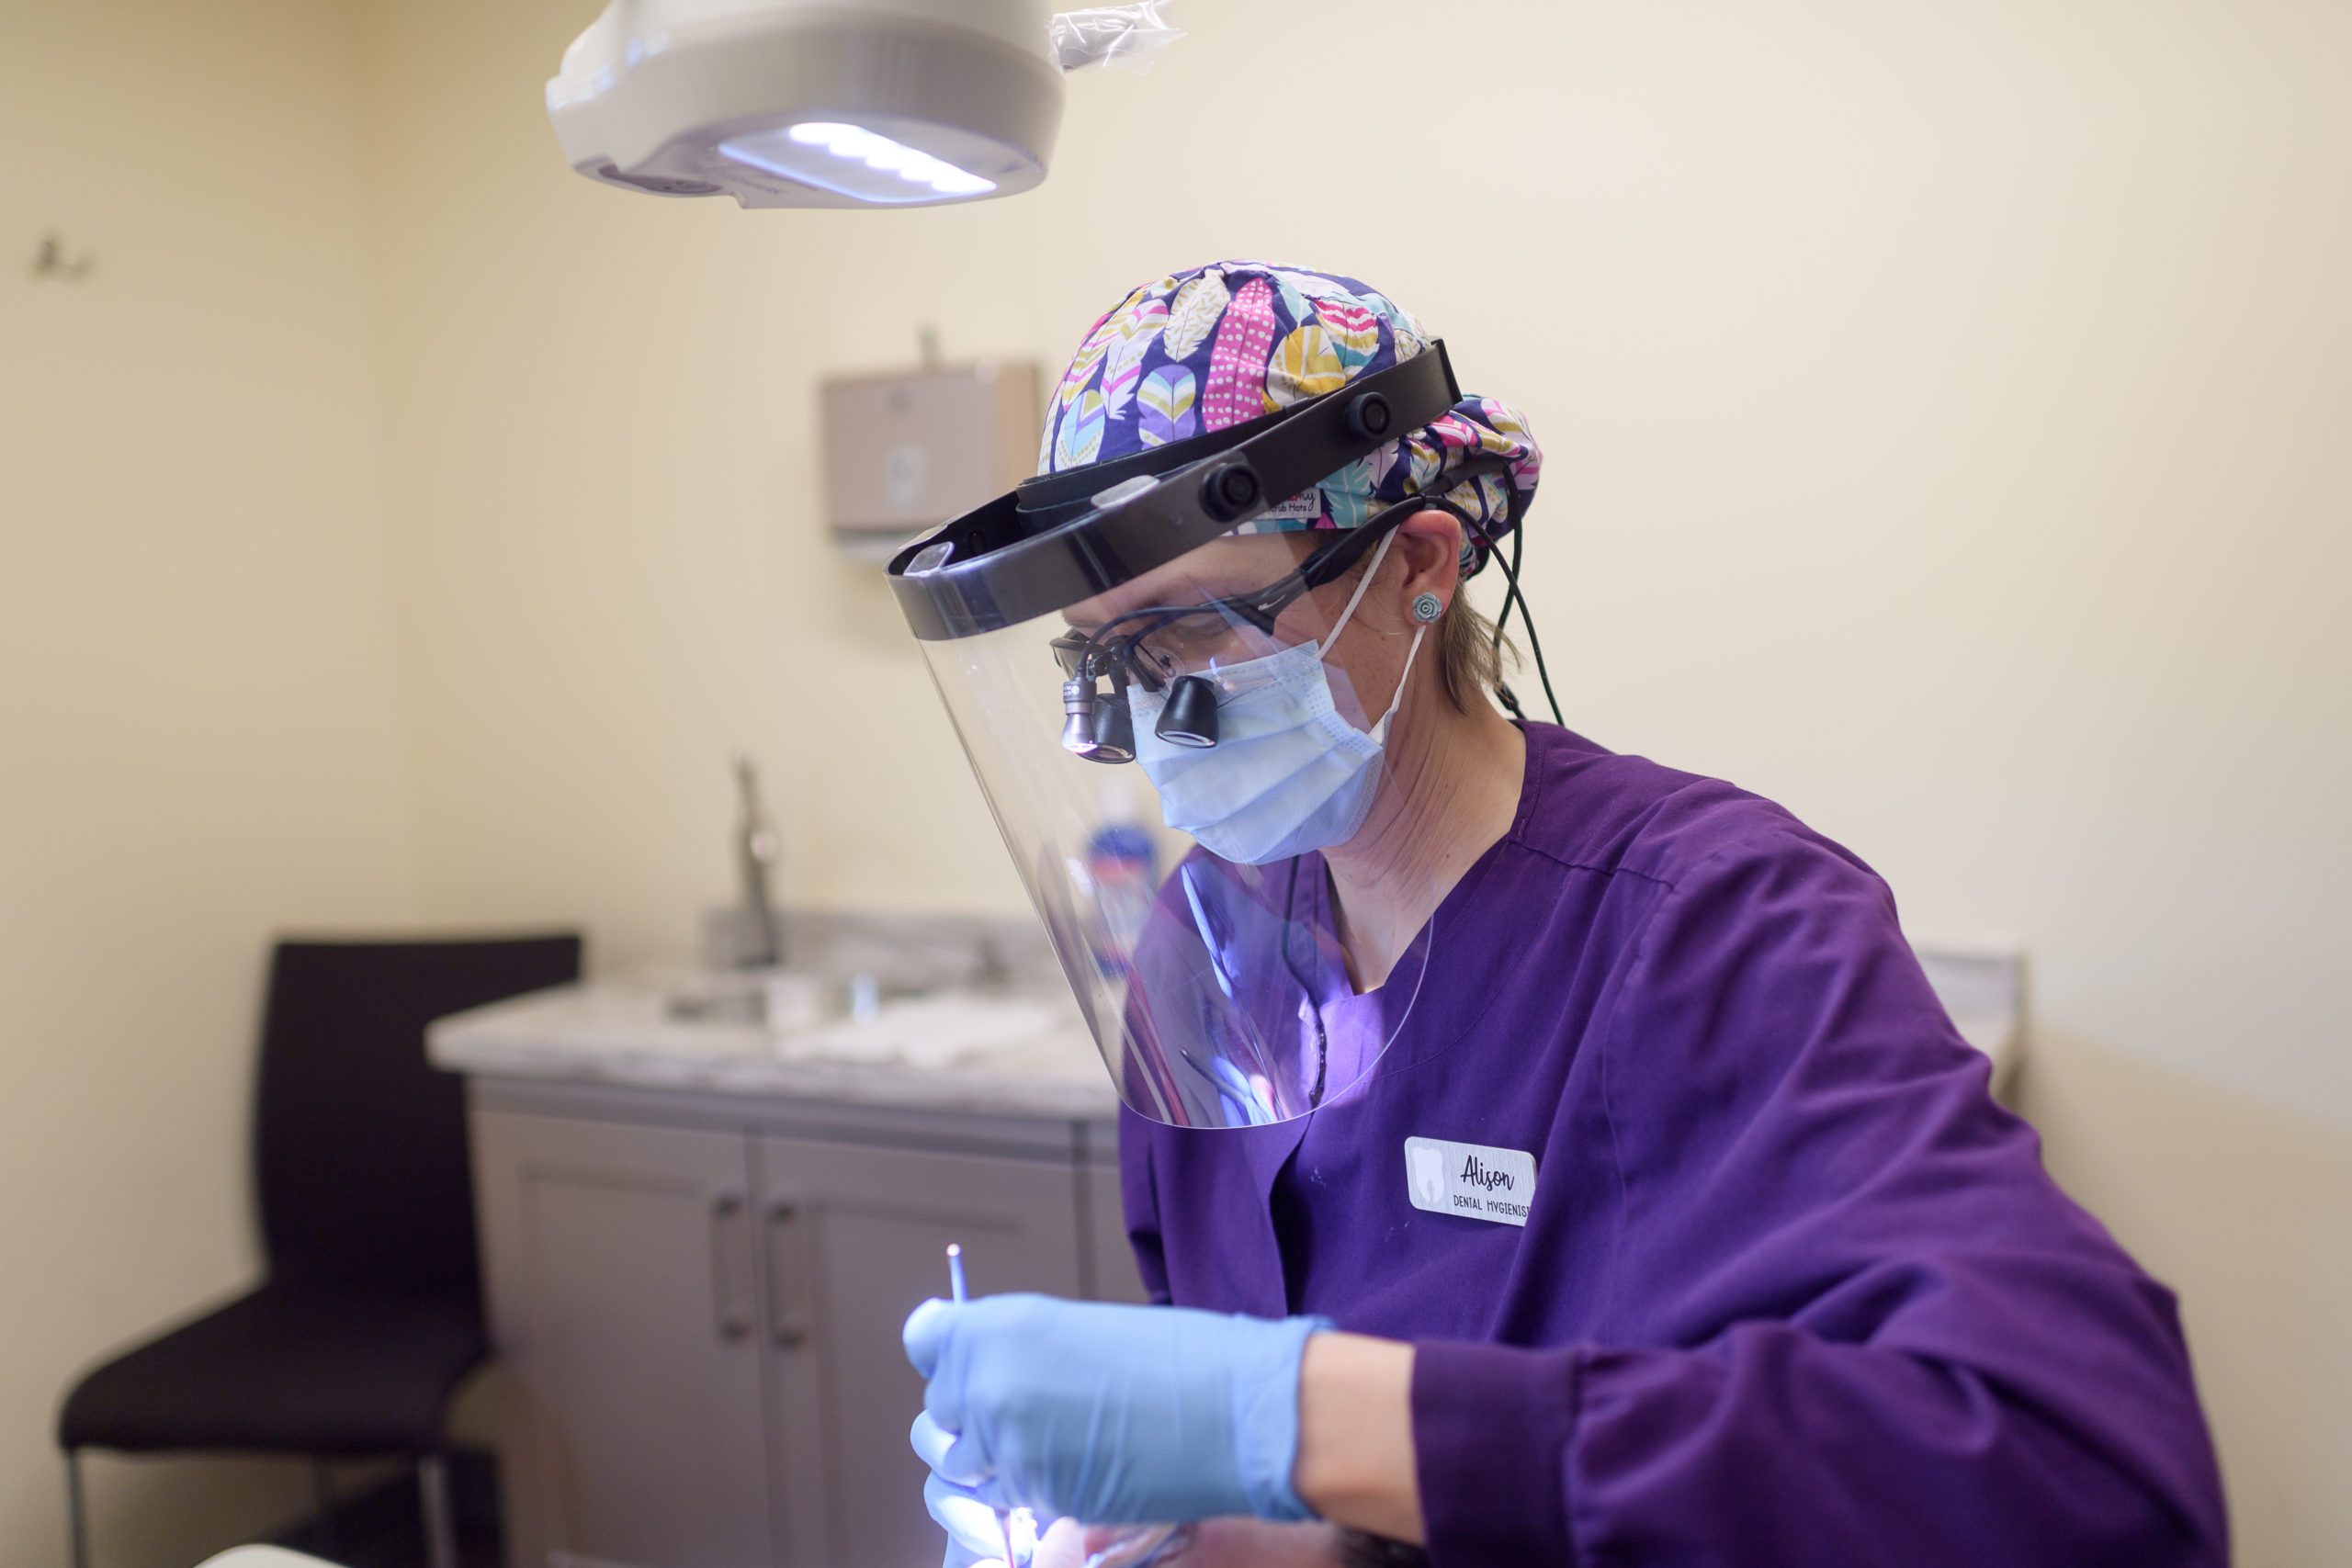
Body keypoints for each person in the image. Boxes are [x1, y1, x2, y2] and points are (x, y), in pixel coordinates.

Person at [891, 261, 2226, 1567]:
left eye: (1196, 628)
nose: (1158, 707)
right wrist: (1208, 1530)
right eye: (1113, 656)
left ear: (1418, 562)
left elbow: (2084, 1476)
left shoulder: (1716, 927)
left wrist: (1296, 1421)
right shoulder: (1204, 945)